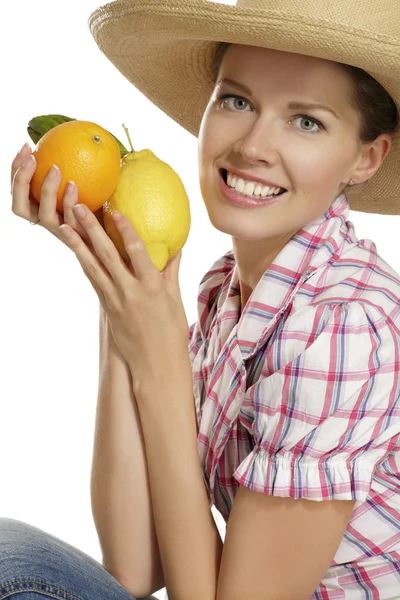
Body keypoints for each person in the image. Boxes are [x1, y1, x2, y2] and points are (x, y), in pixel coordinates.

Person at [3, 0, 400, 598]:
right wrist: (120, 292)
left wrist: (161, 358)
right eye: (237, 101)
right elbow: (137, 569)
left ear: (367, 157)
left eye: (307, 121)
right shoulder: (229, 289)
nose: (253, 147)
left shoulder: (344, 326)